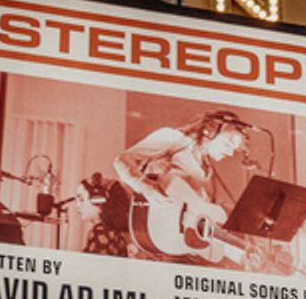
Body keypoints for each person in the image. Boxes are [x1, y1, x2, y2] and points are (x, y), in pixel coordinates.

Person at [85, 109, 253, 264]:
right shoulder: (174, 138)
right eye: (229, 142)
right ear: (210, 130)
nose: (231, 152)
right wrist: (147, 188)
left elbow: (200, 217)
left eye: (235, 148)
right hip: (158, 243)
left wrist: (240, 251)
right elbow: (122, 161)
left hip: (184, 249)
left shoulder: (207, 170)